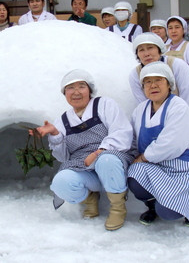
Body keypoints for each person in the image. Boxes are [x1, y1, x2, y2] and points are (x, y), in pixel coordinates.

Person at [34, 69, 134, 231]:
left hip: (112, 165)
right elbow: (63, 157)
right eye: (70, 88)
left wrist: (98, 153)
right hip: (84, 168)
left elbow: (121, 132)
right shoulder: (63, 120)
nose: (76, 92)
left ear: (90, 89)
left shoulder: (104, 105)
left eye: (81, 86)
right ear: (64, 93)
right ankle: (89, 197)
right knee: (61, 181)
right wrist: (55, 134)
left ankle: (117, 208)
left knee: (107, 160)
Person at [127, 62, 189, 228]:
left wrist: (144, 156)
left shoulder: (179, 107)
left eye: (158, 80)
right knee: (134, 175)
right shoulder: (140, 110)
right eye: (147, 82)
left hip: (183, 167)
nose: (153, 85)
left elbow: (172, 144)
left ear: (169, 84)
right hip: (155, 165)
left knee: (168, 213)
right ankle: (153, 206)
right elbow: (133, 139)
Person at [129, 32, 189, 172]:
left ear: (159, 49)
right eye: (141, 50)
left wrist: (185, 124)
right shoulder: (135, 74)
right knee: (171, 153)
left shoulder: (176, 65)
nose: (147, 53)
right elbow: (145, 104)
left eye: (150, 48)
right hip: (167, 115)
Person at [164, 16, 189, 82]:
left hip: (184, 88)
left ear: (184, 30)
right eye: (170, 28)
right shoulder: (164, 48)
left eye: (177, 27)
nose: (173, 31)